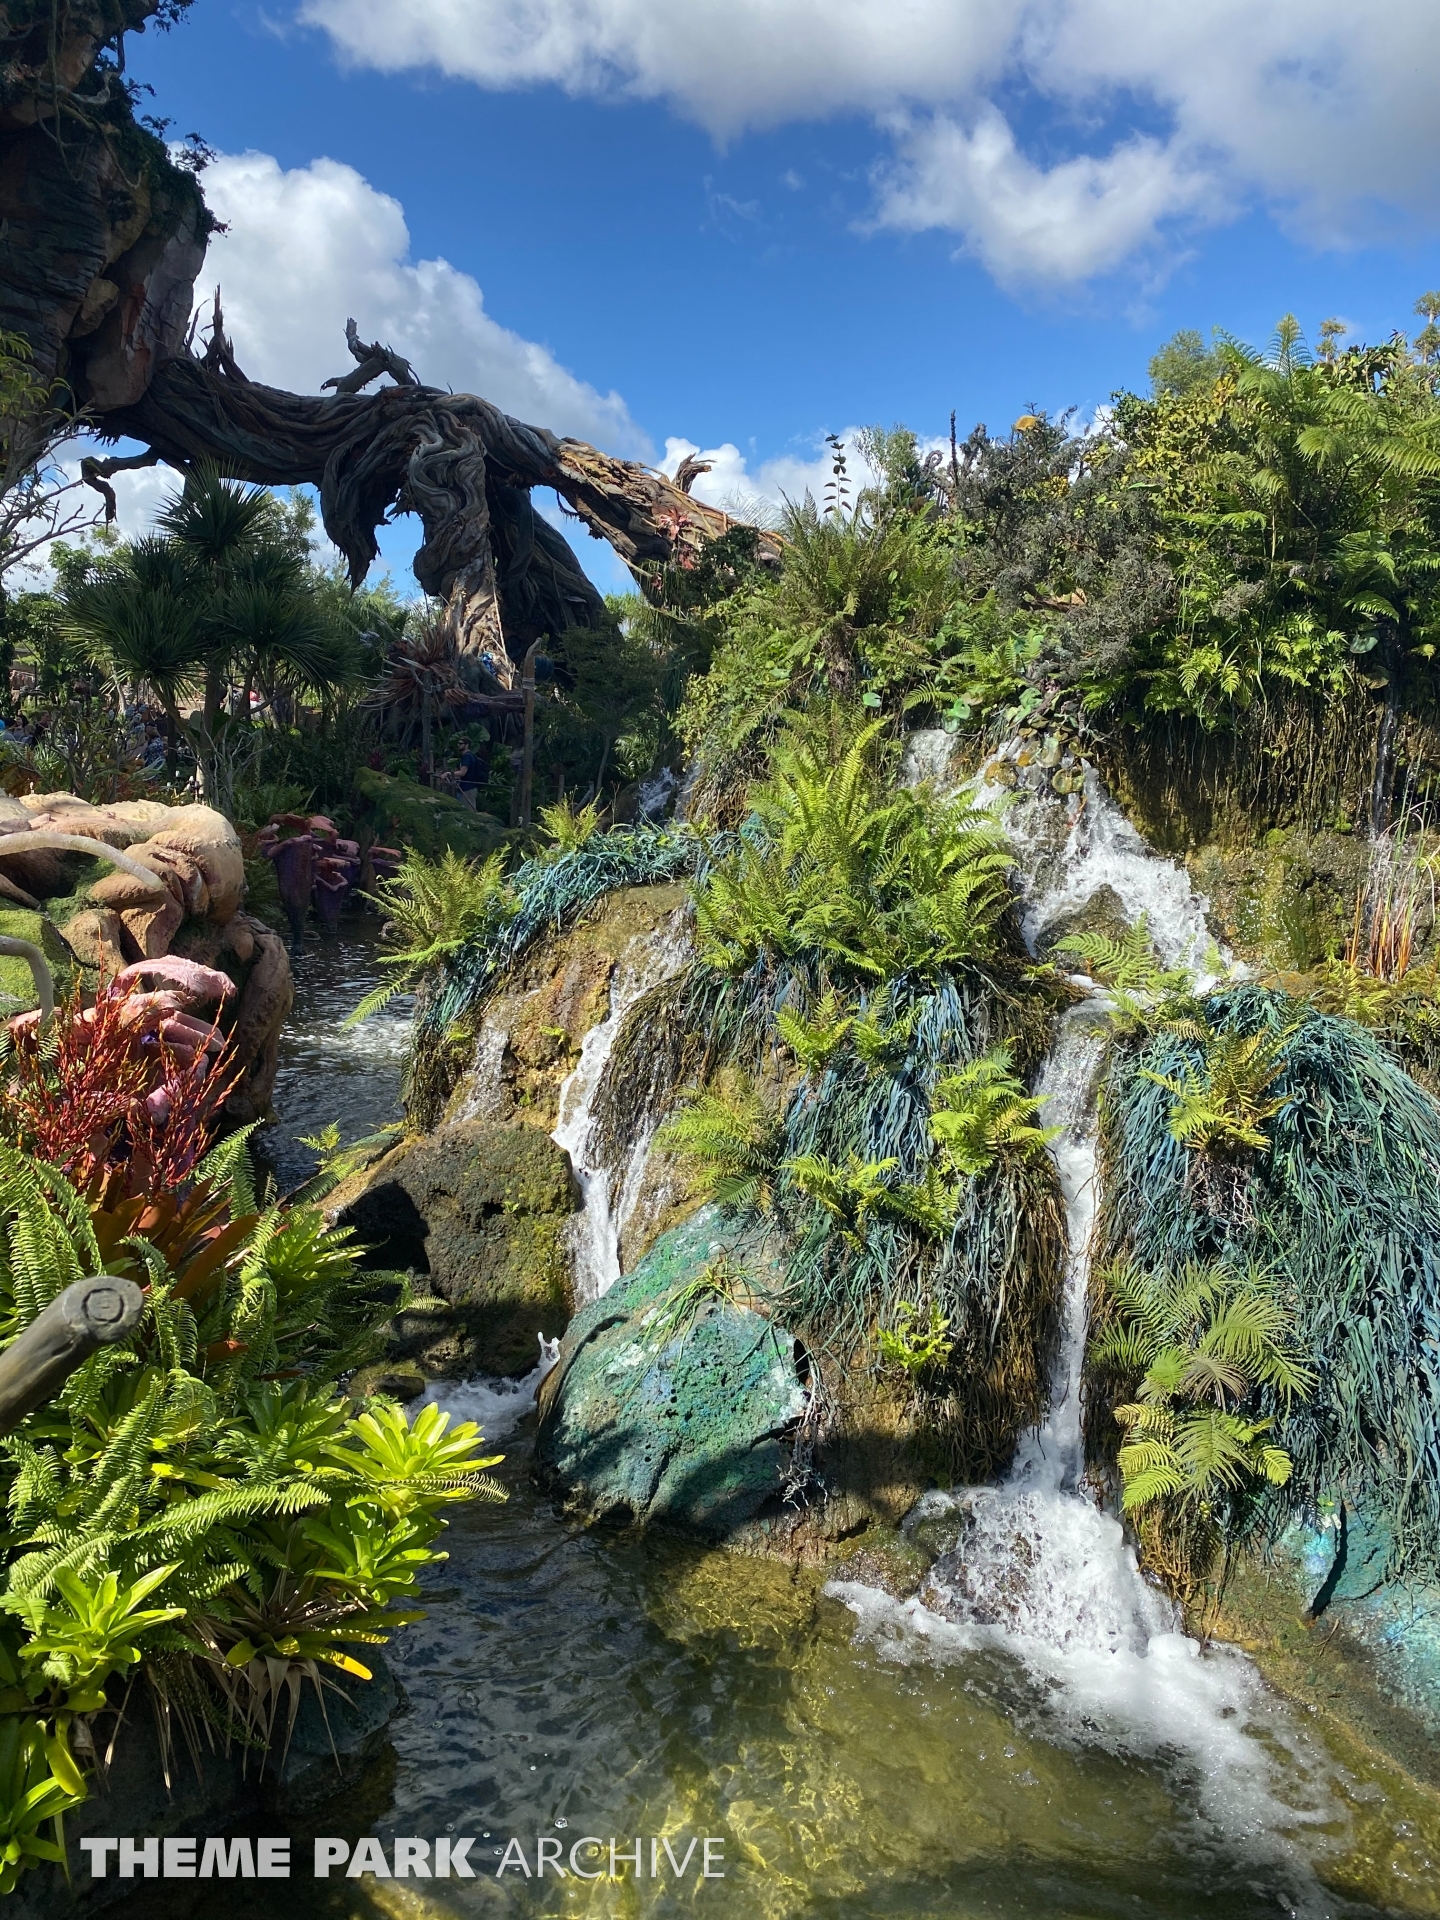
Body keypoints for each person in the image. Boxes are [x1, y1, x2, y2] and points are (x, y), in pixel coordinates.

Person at [455, 735, 490, 808]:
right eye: (458, 743)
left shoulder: (467, 756)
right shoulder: (471, 756)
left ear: (467, 745)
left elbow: (462, 772)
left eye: (461, 744)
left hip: (468, 788)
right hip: (469, 787)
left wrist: (449, 773)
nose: (458, 745)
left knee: (469, 809)